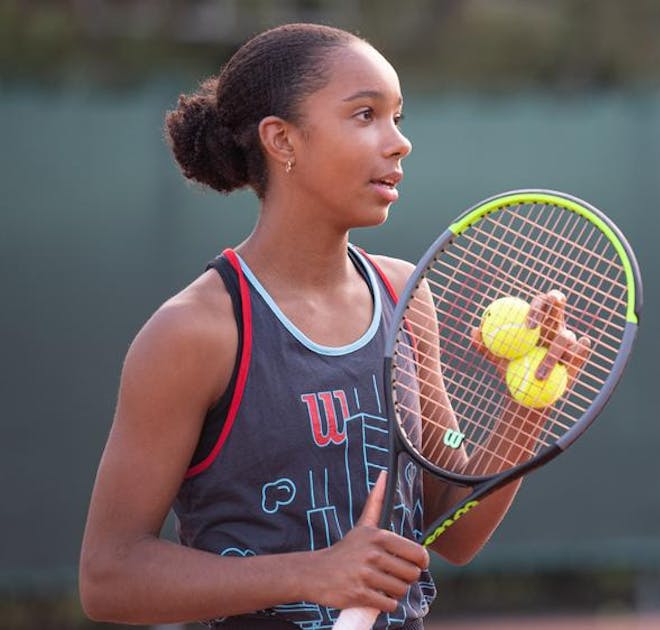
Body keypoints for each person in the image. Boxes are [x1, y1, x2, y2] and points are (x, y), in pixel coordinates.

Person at [79, 23, 587, 630]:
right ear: (282, 140)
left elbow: (450, 522)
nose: (399, 143)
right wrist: (311, 572)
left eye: (398, 116)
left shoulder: (403, 294)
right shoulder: (194, 332)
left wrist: (525, 404)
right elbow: (108, 576)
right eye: (366, 115)